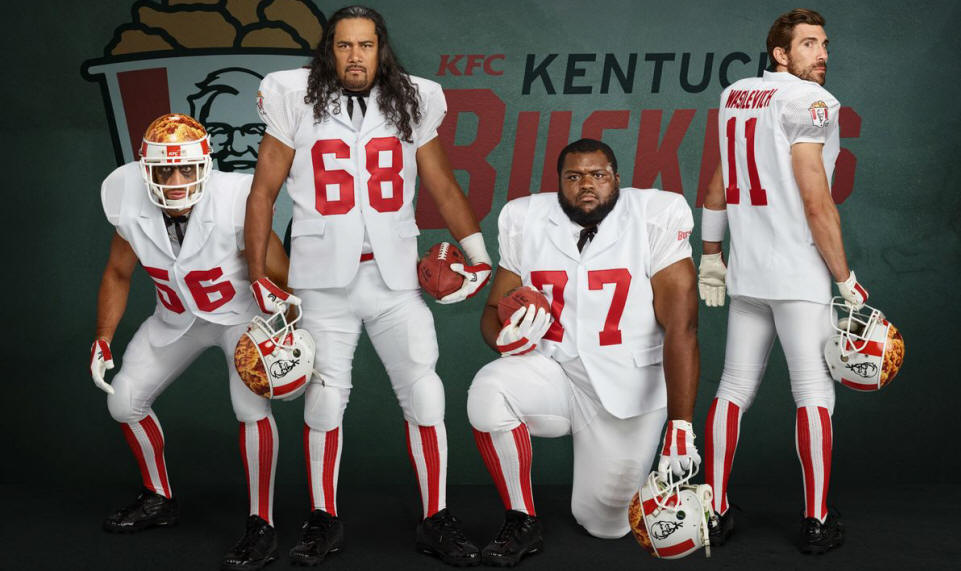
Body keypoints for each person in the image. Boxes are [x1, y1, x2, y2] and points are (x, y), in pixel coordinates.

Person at [245, 5, 492, 567]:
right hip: (321, 282)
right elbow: (262, 193)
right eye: (344, 45)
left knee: (425, 393)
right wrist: (258, 275)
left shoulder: (413, 99)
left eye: (365, 45)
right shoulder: (294, 97)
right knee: (324, 401)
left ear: (381, 49)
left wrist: (479, 257)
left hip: (393, 278)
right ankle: (322, 518)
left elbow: (442, 184)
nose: (355, 56)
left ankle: (436, 517)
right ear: (328, 50)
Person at [467, 138, 701, 566]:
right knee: (489, 389)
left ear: (616, 179)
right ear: (559, 182)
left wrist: (681, 425)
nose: (586, 185)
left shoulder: (655, 216)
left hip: (627, 388)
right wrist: (503, 339)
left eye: (598, 175)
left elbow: (681, 327)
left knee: (606, 524)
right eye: (574, 177)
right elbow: (491, 311)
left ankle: (614, 489)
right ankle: (521, 518)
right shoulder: (524, 218)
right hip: (556, 371)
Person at [697, 8, 868, 555]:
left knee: (732, 389)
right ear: (780, 53)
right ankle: (816, 520)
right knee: (814, 393)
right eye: (809, 44)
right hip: (798, 272)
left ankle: (715, 512)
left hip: (748, 271)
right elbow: (817, 201)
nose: (822, 54)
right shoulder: (811, 101)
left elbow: (719, 180)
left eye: (825, 44)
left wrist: (711, 253)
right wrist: (845, 278)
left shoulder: (734, 95)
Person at [91, 113, 293, 571]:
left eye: (186, 169)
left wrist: (284, 318)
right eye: (165, 171)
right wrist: (103, 337)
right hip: (175, 317)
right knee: (123, 401)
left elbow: (281, 276)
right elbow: (118, 272)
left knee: (250, 409)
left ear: (206, 166)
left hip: (238, 316)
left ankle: (262, 521)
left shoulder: (237, 198)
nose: (177, 181)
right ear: (145, 170)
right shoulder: (127, 198)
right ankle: (158, 497)